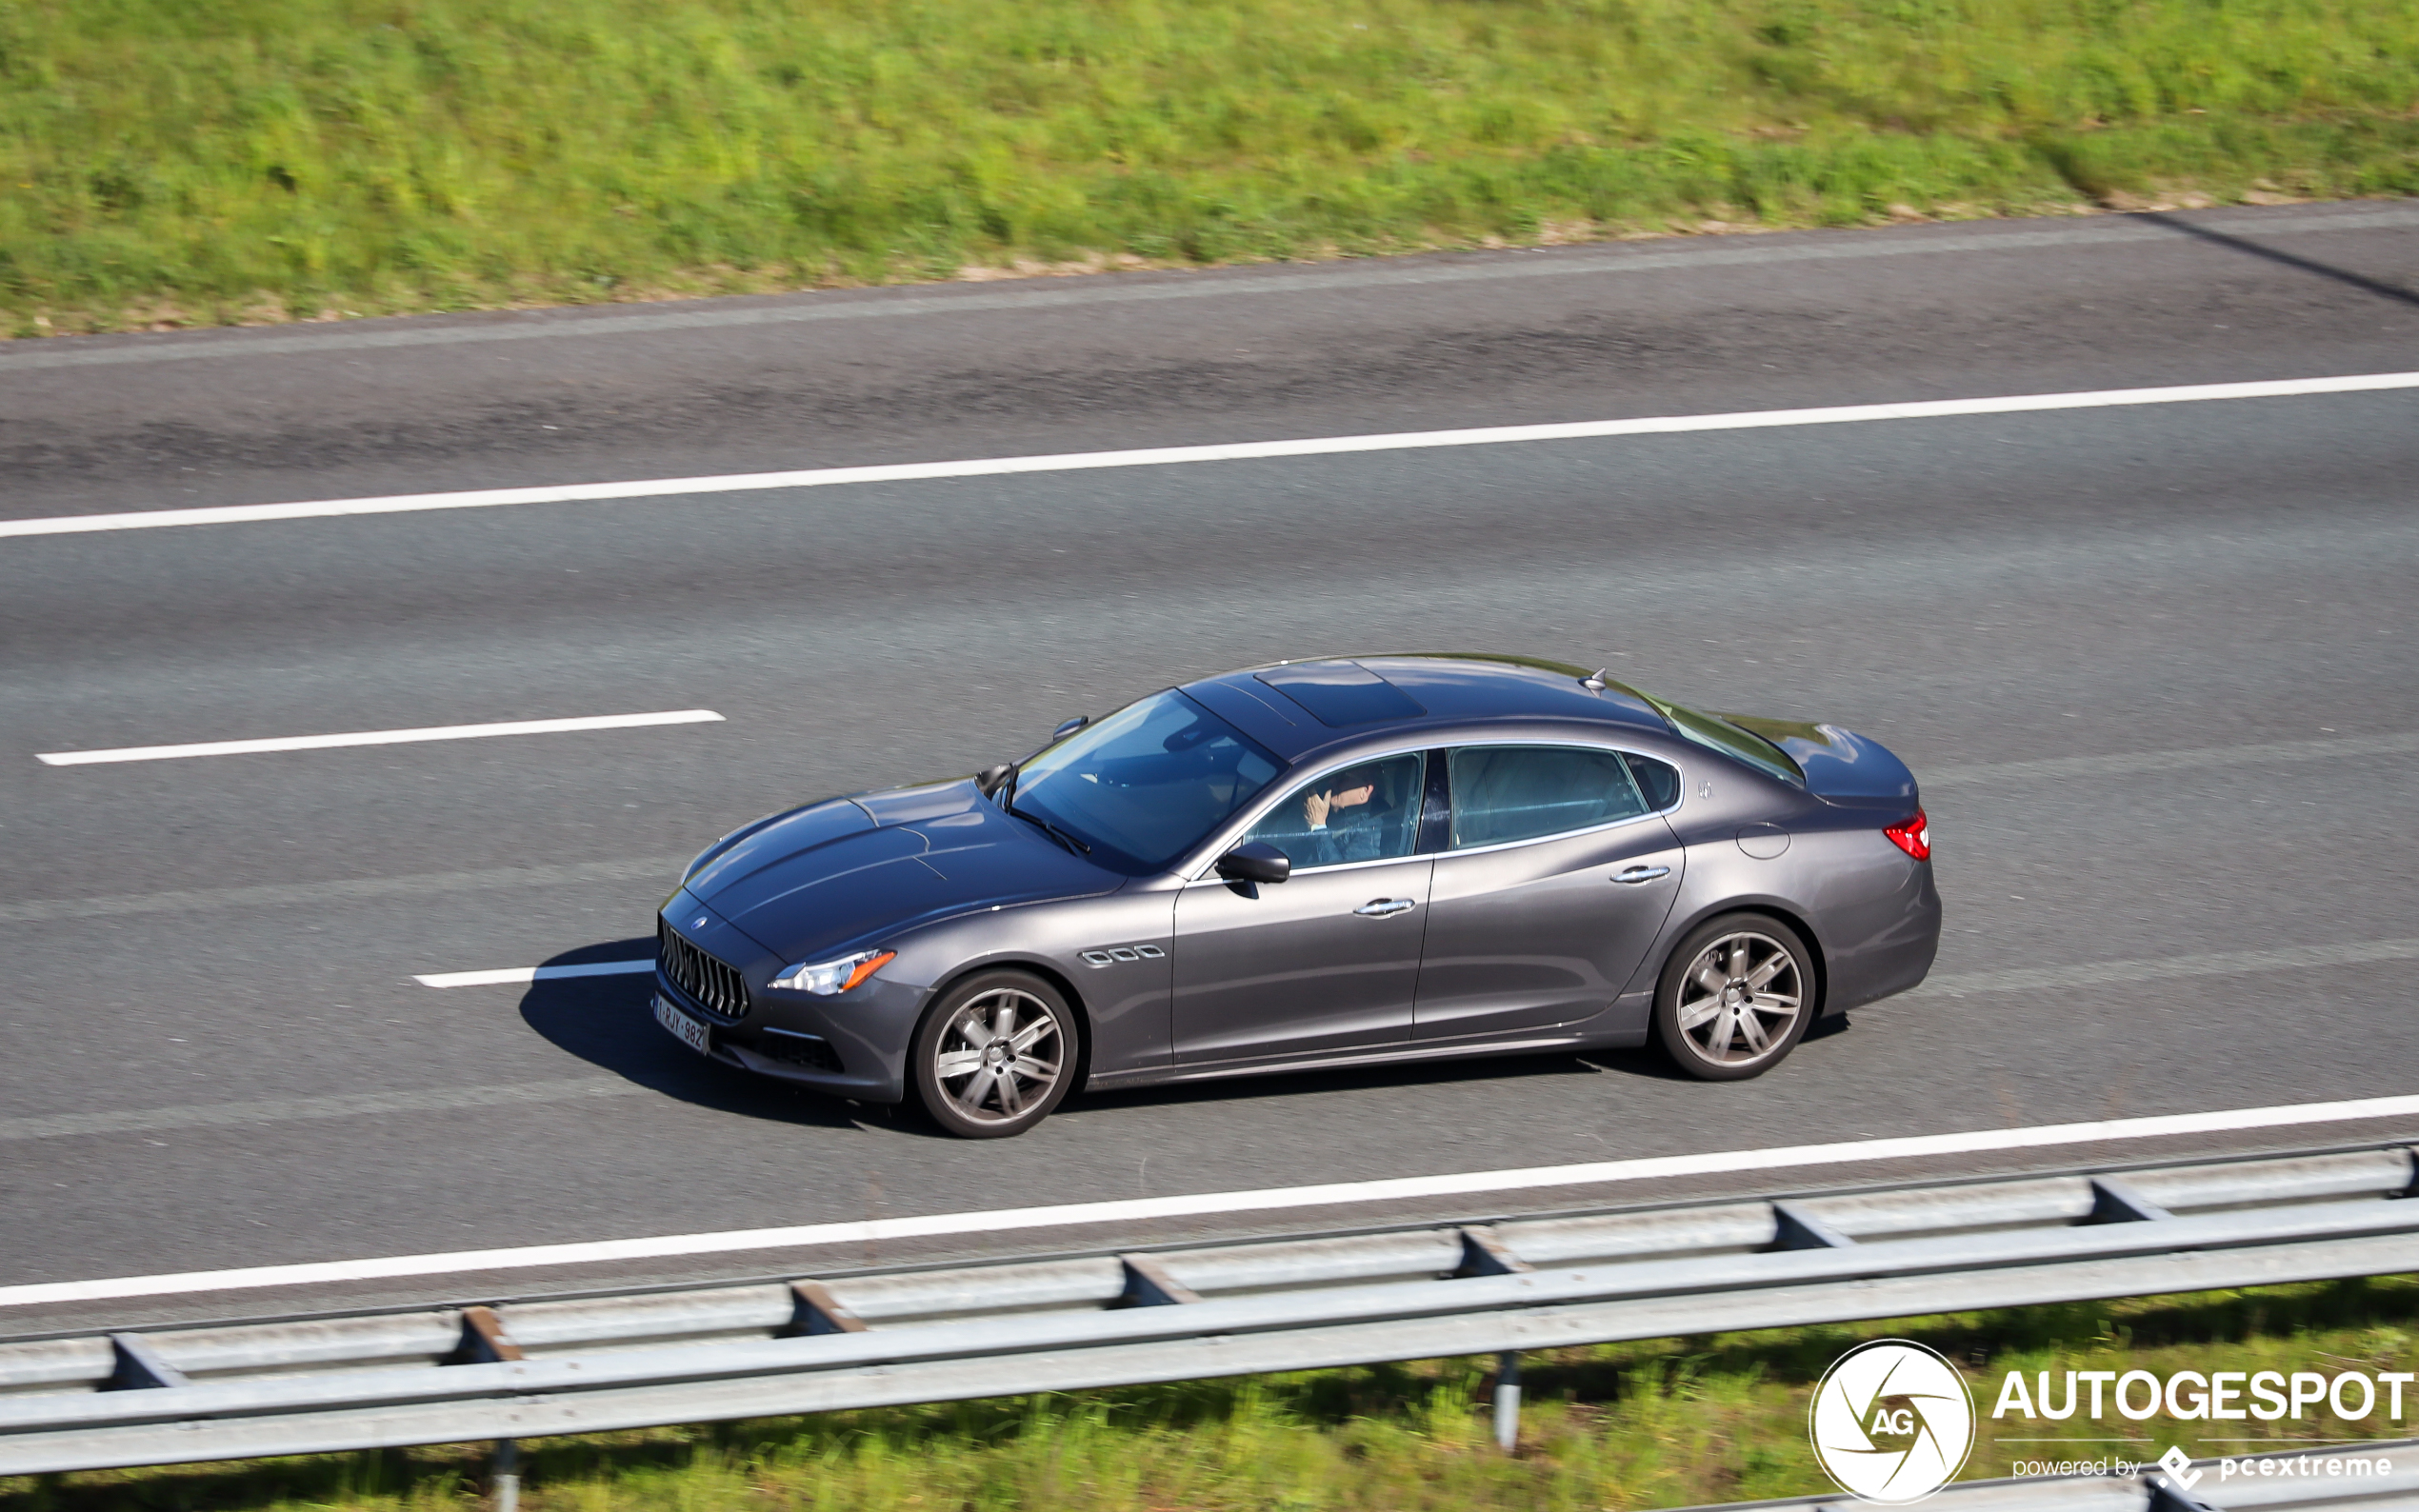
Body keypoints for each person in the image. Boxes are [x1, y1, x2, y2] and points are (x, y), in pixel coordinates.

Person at [1296, 764, 1394, 865]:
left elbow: (1343, 876)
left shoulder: (1375, 828)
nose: (1332, 781)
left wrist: (1318, 827)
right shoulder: (1332, 811)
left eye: (1341, 777)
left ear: (1366, 791)